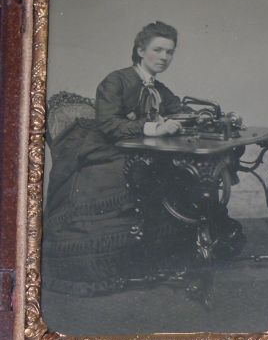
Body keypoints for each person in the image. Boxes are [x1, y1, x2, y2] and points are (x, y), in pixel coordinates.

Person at [42, 21, 193, 296]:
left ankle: (156, 253)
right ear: (139, 50)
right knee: (124, 176)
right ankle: (115, 261)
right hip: (101, 148)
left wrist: (186, 119)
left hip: (135, 148)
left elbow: (178, 110)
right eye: (157, 50)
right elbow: (109, 124)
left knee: (172, 174)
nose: (164, 57)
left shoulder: (159, 88)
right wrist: (154, 127)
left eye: (169, 52)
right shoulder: (116, 80)